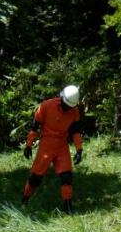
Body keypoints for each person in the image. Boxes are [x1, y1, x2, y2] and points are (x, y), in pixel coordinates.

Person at [21, 85, 83, 214]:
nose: (68, 109)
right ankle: (25, 200)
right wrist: (28, 145)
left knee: (67, 177)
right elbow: (35, 127)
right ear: (61, 98)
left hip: (62, 145)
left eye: (70, 107)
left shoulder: (74, 111)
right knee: (36, 177)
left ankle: (68, 208)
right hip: (46, 145)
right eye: (66, 106)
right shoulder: (46, 106)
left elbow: (76, 131)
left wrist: (79, 149)